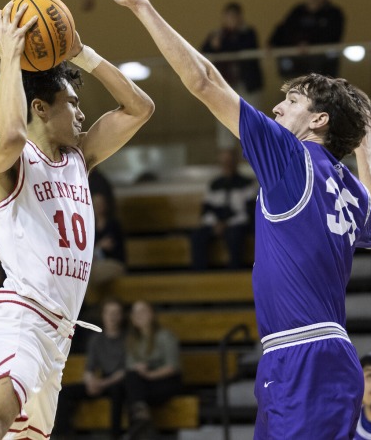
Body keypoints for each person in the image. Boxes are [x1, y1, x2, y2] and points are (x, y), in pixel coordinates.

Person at [94, 0, 371, 438]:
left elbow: (205, 81)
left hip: (303, 354)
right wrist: (366, 153)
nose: (276, 109)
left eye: (289, 101)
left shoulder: (293, 159)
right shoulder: (346, 189)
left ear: (317, 121)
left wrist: (140, 5)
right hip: (307, 355)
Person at [0, 0, 155, 439]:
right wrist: (11, 56)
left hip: (58, 337)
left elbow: (139, 108)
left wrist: (82, 53)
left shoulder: (79, 158)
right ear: (41, 108)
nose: (82, 113)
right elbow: (10, 132)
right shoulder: (8, 161)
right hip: (19, 318)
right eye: (72, 103)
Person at [53, 298, 127, 440]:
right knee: (65, 392)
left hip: (119, 382)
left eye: (116, 313)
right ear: (103, 315)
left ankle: (115, 435)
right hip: (102, 380)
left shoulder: (127, 338)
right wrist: (90, 381)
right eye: (108, 312)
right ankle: (63, 434)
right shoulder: (96, 339)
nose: (112, 317)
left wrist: (103, 383)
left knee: (119, 391)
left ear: (121, 316)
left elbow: (126, 370)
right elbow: (90, 368)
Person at [200, 2, 263, 148]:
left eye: (234, 16)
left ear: (240, 18)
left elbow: (241, 48)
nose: (231, 20)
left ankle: (257, 153)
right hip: (225, 85)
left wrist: (221, 46)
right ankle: (227, 159)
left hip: (248, 85)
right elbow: (202, 51)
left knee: (252, 123)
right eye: (228, 17)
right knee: (225, 124)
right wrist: (214, 46)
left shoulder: (248, 33)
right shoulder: (216, 34)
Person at [190, 148, 256, 270]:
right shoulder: (214, 185)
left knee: (234, 236)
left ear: (236, 162)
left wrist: (226, 224)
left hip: (238, 224)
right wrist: (215, 224)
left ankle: (234, 272)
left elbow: (248, 213)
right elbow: (206, 210)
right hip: (216, 224)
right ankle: (200, 274)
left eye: (230, 161)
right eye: (224, 162)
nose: (227, 165)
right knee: (197, 237)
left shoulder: (247, 184)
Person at [123, 300, 181, 440]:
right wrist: (140, 369)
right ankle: (142, 420)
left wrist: (149, 374)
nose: (138, 315)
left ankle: (134, 428)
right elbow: (130, 366)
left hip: (166, 380)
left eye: (142, 311)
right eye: (135, 312)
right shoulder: (132, 340)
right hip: (143, 384)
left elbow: (173, 367)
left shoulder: (165, 336)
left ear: (152, 314)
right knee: (128, 383)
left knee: (132, 394)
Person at [269, 0, 346, 78]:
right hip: (297, 68)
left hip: (324, 69)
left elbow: (333, 36)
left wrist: (310, 44)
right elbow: (284, 29)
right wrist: (272, 43)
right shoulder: (298, 11)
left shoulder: (334, 13)